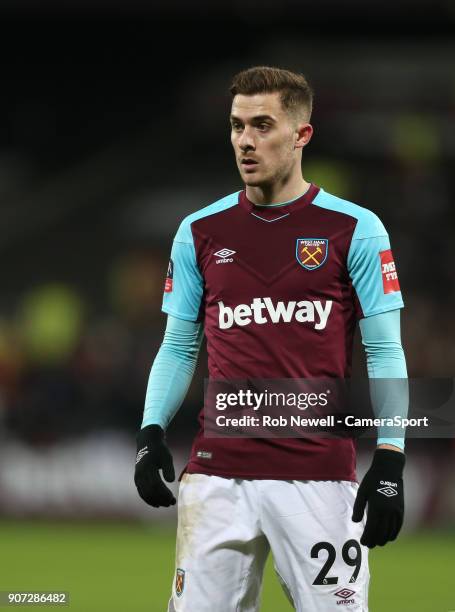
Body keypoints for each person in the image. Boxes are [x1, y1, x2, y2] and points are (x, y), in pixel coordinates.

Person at [134, 66, 408, 611]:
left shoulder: (355, 228)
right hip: (216, 474)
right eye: (237, 126)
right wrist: (151, 430)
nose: (245, 141)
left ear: (302, 134)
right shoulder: (198, 231)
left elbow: (384, 349)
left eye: (262, 125)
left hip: (317, 479)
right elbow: (178, 345)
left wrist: (392, 457)